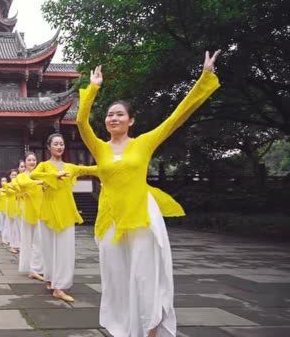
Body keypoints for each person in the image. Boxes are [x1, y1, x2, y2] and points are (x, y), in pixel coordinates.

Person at [76, 52, 221, 337]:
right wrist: (93, 89)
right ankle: (126, 327)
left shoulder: (144, 143)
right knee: (117, 277)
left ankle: (151, 328)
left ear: (131, 121)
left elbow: (178, 116)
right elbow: (81, 122)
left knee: (144, 276)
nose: (113, 118)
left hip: (141, 215)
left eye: (119, 114)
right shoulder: (100, 148)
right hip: (111, 219)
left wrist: (204, 78)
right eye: (109, 115)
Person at [31, 133, 98, 302]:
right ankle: (51, 278)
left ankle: (59, 286)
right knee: (48, 248)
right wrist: (54, 176)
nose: (59, 146)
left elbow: (90, 169)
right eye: (56, 144)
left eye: (61, 144)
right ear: (49, 147)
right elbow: (33, 176)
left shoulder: (70, 167)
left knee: (65, 250)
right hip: (48, 210)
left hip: (66, 211)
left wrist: (112, 165)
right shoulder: (44, 165)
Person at [15, 152, 45, 281]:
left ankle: (37, 267)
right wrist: (40, 182)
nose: (32, 162)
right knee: (28, 240)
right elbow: (24, 185)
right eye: (29, 160)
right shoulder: (21, 176)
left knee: (40, 240)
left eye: (34, 160)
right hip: (28, 211)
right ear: (25, 163)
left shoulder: (39, 175)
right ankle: (31, 268)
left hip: (41, 210)